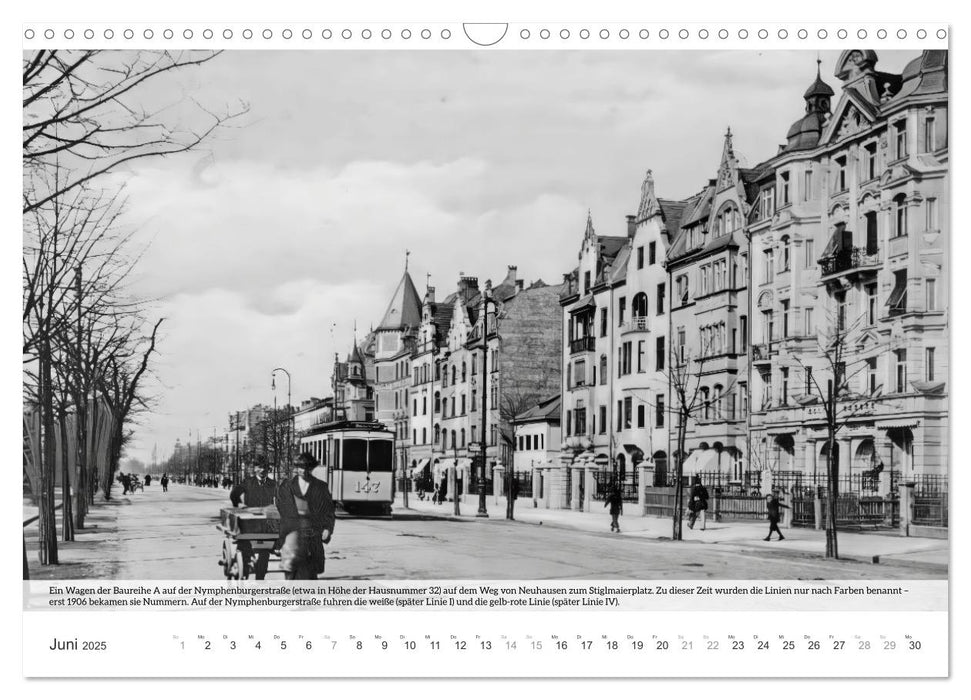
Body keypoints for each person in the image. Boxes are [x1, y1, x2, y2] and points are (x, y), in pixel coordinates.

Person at [275, 452, 336, 580]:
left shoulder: (321, 487)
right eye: (300, 467)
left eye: (307, 468)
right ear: (296, 468)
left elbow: (329, 510)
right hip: (293, 530)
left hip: (313, 531)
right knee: (291, 564)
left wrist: (327, 528)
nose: (303, 471)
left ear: (311, 468)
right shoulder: (287, 486)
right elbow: (284, 509)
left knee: (313, 566)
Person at [230, 465, 278, 579]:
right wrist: (239, 505)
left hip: (265, 524)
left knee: (265, 551)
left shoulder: (273, 484)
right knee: (245, 548)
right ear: (255, 469)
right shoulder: (248, 482)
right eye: (259, 468)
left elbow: (282, 497)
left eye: (265, 468)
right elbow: (234, 494)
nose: (262, 470)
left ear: (268, 470)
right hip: (249, 522)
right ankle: (246, 568)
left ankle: (260, 580)